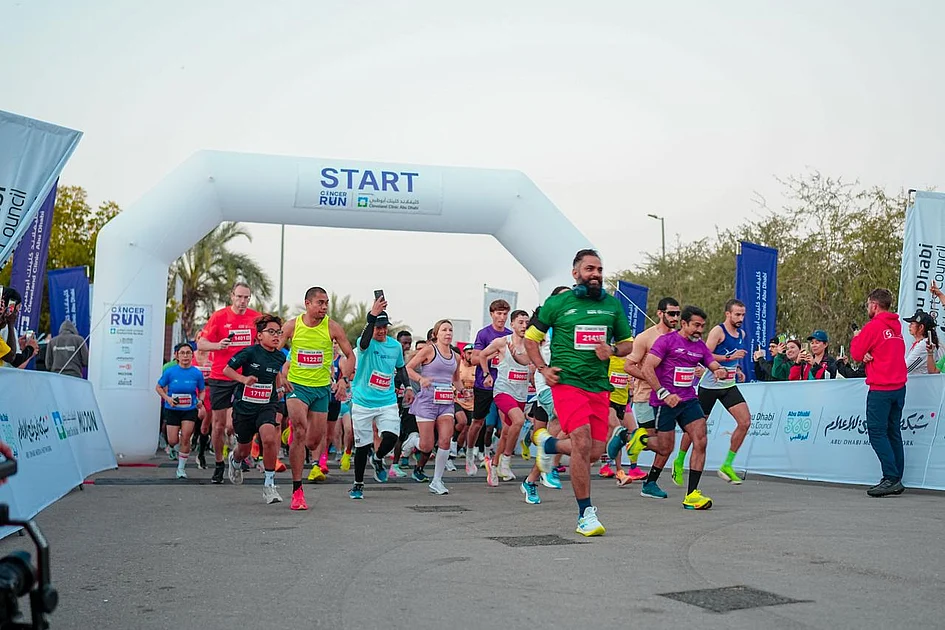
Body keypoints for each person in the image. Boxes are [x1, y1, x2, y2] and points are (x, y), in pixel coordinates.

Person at [525, 249, 634, 537]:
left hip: (598, 386)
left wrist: (611, 349)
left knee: (594, 453)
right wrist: (542, 368)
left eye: (599, 269)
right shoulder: (558, 303)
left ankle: (549, 446)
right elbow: (531, 338)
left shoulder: (612, 306)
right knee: (582, 442)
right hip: (567, 382)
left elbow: (627, 345)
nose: (596, 274)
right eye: (589, 269)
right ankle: (585, 513)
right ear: (576, 273)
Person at [640, 305, 729, 510]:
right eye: (696, 325)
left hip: (688, 400)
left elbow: (711, 363)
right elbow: (647, 368)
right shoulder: (667, 341)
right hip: (665, 401)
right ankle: (634, 438)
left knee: (701, 439)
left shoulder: (700, 346)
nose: (700, 330)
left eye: (702, 326)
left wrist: (719, 370)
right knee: (665, 448)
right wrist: (663, 393)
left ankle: (692, 495)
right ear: (684, 324)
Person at [280, 287, 354, 511]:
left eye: (326, 303)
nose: (324, 307)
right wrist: (280, 375)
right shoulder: (293, 325)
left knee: (313, 442)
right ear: (307, 303)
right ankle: (297, 490)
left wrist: (343, 380)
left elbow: (350, 355)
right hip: (297, 386)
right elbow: (274, 349)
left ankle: (288, 436)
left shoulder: (332, 327)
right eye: (320, 303)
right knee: (301, 430)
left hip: (321, 389)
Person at [608, 297, 680, 478]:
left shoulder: (677, 337)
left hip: (668, 397)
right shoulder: (645, 338)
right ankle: (626, 437)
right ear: (660, 313)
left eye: (678, 314)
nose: (675, 318)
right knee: (658, 443)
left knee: (666, 444)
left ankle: (651, 482)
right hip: (645, 397)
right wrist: (651, 378)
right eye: (671, 313)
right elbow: (628, 366)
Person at [222, 314, 289, 504]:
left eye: (278, 332)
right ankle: (235, 461)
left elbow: (275, 374)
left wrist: (281, 386)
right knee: (243, 450)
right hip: (245, 407)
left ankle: (269, 485)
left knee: (269, 438)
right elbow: (227, 370)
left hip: (267, 405)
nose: (276, 335)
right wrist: (244, 379)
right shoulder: (249, 352)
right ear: (259, 335)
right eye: (271, 332)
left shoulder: (280, 356)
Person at [197, 282, 260, 484]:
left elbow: (266, 339)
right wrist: (218, 345)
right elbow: (201, 343)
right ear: (231, 296)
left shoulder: (255, 317)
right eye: (239, 297)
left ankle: (237, 457)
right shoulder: (219, 317)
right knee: (218, 426)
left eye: (246, 298)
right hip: (221, 376)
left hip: (245, 377)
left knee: (237, 425)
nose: (242, 302)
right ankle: (218, 463)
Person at [686, 298, 752, 485]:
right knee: (696, 428)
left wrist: (737, 369)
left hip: (728, 385)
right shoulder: (718, 331)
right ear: (728, 314)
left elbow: (734, 358)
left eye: (743, 315)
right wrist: (728, 357)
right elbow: (704, 355)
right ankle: (680, 459)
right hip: (710, 386)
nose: (740, 318)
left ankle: (727, 465)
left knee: (745, 422)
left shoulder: (742, 333)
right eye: (737, 314)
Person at [348, 297, 408, 500]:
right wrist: (372, 316)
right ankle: (358, 485)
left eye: (385, 327)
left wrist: (407, 386)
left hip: (387, 401)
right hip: (363, 402)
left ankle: (379, 457)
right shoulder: (363, 345)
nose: (381, 331)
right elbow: (364, 340)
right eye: (378, 327)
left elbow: (400, 368)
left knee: (391, 437)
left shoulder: (395, 347)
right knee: (362, 447)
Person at [850, 288, 908, 497]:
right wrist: (869, 353)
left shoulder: (873, 326)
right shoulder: (896, 326)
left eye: (868, 305)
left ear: (874, 305)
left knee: (876, 432)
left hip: (881, 387)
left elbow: (856, 353)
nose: (868, 308)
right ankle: (896, 476)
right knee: (893, 431)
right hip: (899, 386)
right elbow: (884, 351)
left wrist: (857, 338)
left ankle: (891, 477)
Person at [405, 319, 464, 494]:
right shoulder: (429, 350)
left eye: (450, 330)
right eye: (444, 330)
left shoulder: (456, 357)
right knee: (426, 446)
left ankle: (437, 481)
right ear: (436, 334)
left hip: (446, 402)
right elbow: (408, 368)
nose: (448, 333)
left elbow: (455, 379)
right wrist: (421, 379)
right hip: (427, 401)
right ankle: (413, 441)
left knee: (445, 440)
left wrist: (463, 391)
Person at [478, 310, 533, 487]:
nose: (524, 326)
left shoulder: (532, 344)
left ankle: (493, 466)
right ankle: (506, 460)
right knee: (518, 420)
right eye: (521, 322)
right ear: (513, 325)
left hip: (521, 393)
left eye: (526, 322)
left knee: (508, 431)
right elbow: (482, 355)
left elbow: (530, 365)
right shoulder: (502, 342)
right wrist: (487, 374)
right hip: (503, 390)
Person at [465, 300, 511, 475]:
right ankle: (470, 455)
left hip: (504, 383)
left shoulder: (509, 335)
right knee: (478, 422)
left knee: (507, 423)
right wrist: (493, 353)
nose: (502, 317)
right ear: (492, 314)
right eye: (498, 313)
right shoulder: (484, 334)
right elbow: (474, 359)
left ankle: (498, 462)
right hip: (484, 383)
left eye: (505, 314)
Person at [155, 343, 206, 479]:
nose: (185, 356)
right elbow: (159, 387)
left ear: (191, 355)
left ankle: (181, 468)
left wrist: (200, 401)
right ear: (177, 356)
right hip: (172, 409)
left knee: (186, 436)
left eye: (188, 353)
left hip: (189, 409)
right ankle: (173, 444)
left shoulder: (196, 373)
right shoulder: (170, 372)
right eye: (182, 353)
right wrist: (168, 399)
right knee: (172, 440)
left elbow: (202, 390)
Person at [902, 309, 942, 374]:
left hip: (920, 383)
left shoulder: (923, 345)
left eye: (912, 323)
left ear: (921, 327)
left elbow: (905, 369)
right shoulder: (923, 343)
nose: (909, 326)